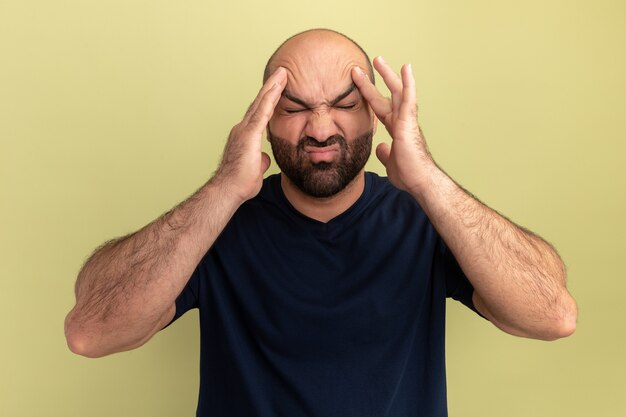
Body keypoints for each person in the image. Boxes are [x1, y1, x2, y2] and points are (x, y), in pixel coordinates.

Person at [65, 28, 578, 416]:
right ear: (263, 120)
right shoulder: (216, 224)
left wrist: (427, 180)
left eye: (344, 105)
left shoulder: (426, 219)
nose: (320, 129)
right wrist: (223, 188)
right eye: (294, 108)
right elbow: (90, 332)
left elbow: (552, 316)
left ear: (375, 114)